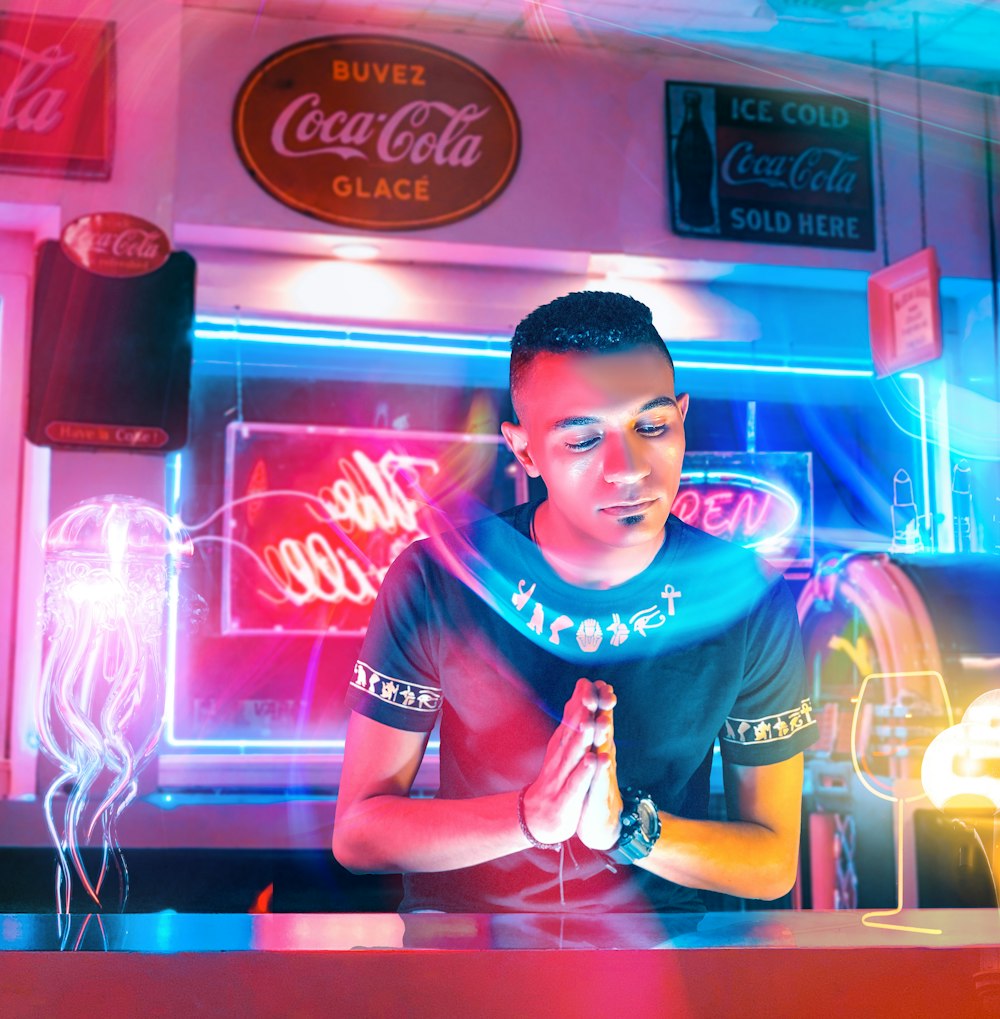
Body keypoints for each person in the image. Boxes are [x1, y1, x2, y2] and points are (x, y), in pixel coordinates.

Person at [333, 290, 818, 912]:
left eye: (652, 426)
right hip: (472, 957)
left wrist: (625, 832)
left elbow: (773, 862)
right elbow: (360, 833)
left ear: (682, 418)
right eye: (583, 440)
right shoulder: (441, 578)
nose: (628, 469)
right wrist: (530, 818)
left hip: (669, 968)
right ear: (524, 449)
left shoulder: (746, 597)